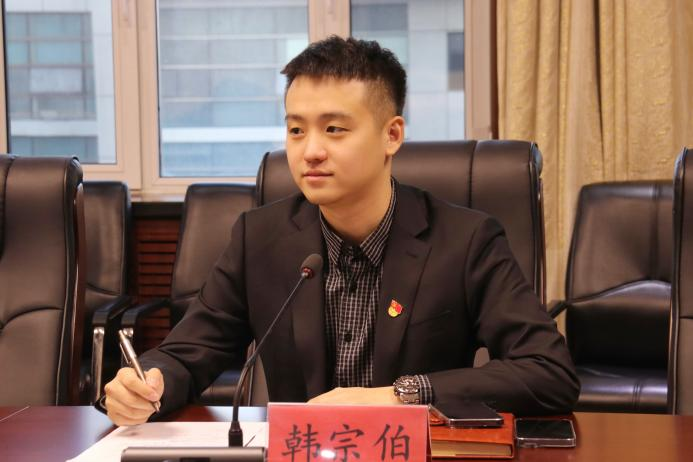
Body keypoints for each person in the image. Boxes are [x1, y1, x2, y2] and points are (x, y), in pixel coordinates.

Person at [102, 36, 579, 426]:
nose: (309, 151)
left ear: (392, 135)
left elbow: (549, 373)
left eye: (334, 130)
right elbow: (188, 354)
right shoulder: (259, 238)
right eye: (296, 130)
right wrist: (148, 383)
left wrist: (402, 395)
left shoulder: (466, 240)